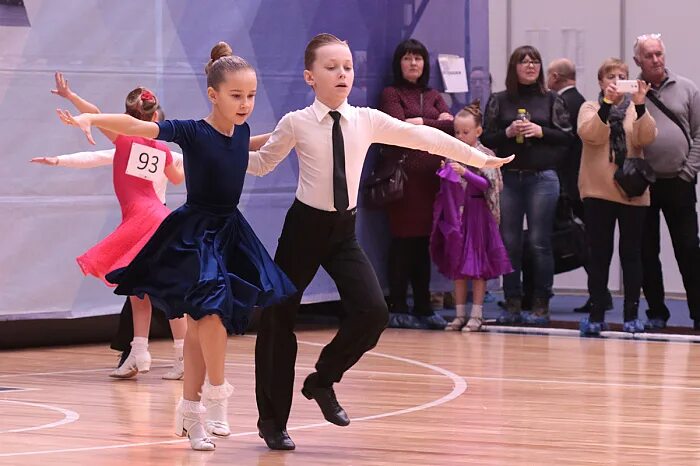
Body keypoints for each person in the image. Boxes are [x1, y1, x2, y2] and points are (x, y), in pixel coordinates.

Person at [248, 33, 514, 451]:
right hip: (303, 230)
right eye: (331, 67)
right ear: (309, 77)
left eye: (348, 67)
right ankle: (272, 422)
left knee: (373, 313)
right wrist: (214, 156)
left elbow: (426, 138)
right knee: (278, 321)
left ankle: (322, 380)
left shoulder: (367, 120)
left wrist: (479, 158)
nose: (342, 74)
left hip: (342, 232)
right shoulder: (295, 123)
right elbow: (262, 165)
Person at [57, 41, 296, 451]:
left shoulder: (240, 133)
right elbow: (138, 127)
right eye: (236, 95)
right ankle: (217, 399)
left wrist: (293, 130)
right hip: (195, 234)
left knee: (206, 325)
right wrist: (91, 116)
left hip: (231, 233)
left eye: (251, 96)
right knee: (212, 317)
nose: (245, 104)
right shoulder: (190, 130)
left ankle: (191, 410)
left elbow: (249, 143)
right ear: (213, 94)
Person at [33, 73, 186, 378]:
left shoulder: (125, 140)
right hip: (159, 217)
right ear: (155, 117)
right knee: (139, 290)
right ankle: (141, 352)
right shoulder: (163, 150)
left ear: (126, 118)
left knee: (154, 290)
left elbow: (97, 117)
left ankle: (175, 356)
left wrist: (72, 99)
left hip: (143, 219)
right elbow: (178, 179)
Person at [481, 45, 572, 326]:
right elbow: (488, 138)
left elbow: (568, 138)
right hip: (509, 177)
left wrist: (541, 131)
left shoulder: (551, 100)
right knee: (509, 243)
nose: (530, 66)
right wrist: (508, 132)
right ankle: (512, 303)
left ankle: (541, 304)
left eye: (535, 61)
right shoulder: (499, 100)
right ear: (514, 68)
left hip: (542, 178)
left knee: (539, 242)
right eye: (524, 62)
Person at [577, 58, 656, 335]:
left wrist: (642, 104)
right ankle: (597, 314)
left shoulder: (636, 109)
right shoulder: (590, 107)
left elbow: (646, 138)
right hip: (598, 191)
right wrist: (607, 104)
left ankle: (632, 315)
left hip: (632, 193)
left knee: (632, 254)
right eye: (611, 76)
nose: (616, 80)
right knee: (599, 255)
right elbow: (591, 136)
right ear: (601, 82)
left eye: (622, 75)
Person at [379, 38, 453, 330]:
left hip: (431, 182)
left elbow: (453, 126)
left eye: (418, 58)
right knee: (402, 242)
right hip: (404, 181)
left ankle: (423, 306)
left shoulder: (434, 94)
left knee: (423, 244)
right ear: (399, 63)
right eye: (408, 58)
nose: (413, 63)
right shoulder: (390, 93)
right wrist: (432, 121)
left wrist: (420, 121)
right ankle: (398, 305)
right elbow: (399, 127)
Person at [633, 34, 700, 331]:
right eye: (649, 55)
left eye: (659, 53)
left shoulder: (687, 88)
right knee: (647, 252)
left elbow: (699, 133)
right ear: (638, 61)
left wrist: (688, 171)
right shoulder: (630, 92)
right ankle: (657, 312)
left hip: (679, 181)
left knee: (688, 249)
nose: (656, 60)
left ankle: (698, 312)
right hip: (643, 184)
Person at [431, 102, 512, 331]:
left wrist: (465, 172)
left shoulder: (486, 155)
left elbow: (489, 185)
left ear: (478, 131)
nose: (460, 136)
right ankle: (459, 314)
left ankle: (476, 314)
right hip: (458, 216)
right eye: (457, 132)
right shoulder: (452, 154)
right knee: (458, 266)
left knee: (478, 267)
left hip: (478, 216)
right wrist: (446, 172)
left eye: (465, 132)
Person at [546, 59, 614, 314]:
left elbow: (564, 146)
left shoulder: (565, 103)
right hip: (579, 182)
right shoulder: (581, 101)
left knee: (584, 241)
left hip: (572, 183)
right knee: (588, 240)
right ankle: (600, 293)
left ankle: (599, 294)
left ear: (554, 77)